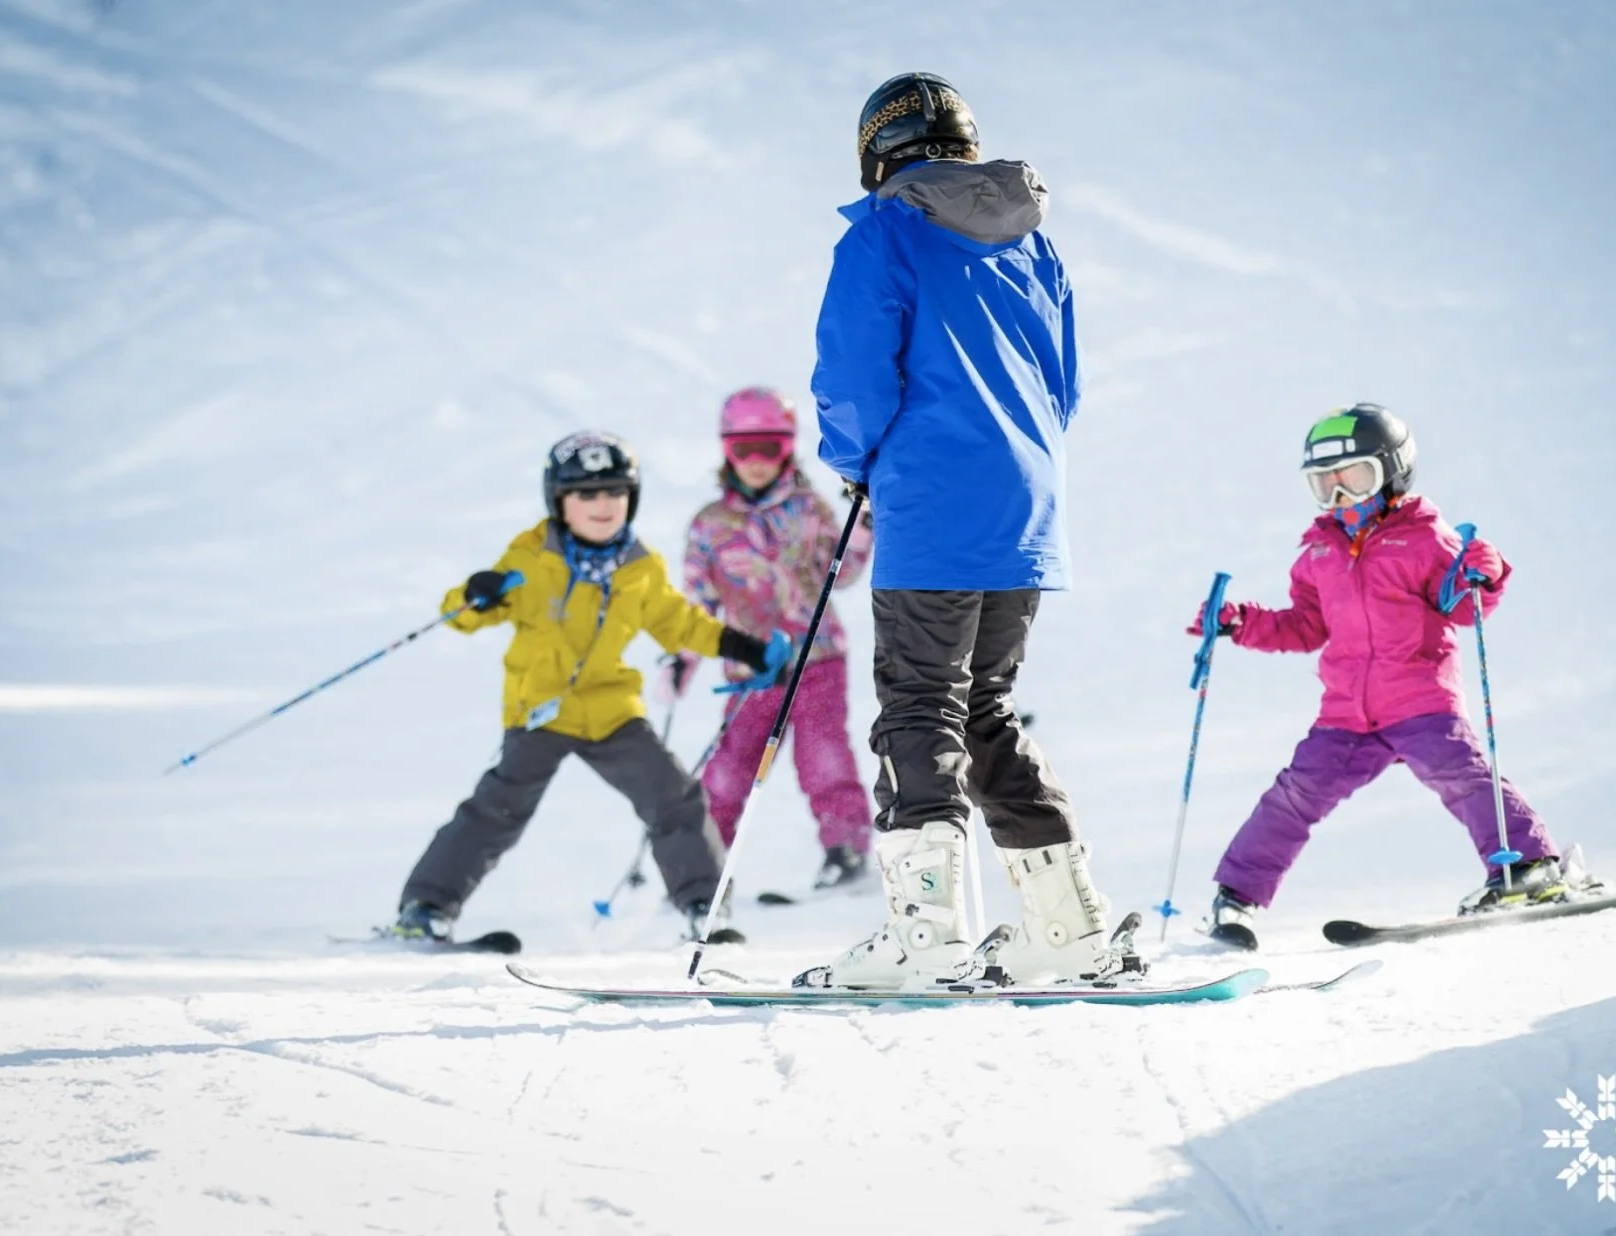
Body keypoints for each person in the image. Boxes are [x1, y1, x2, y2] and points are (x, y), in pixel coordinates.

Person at [805, 72, 1138, 989]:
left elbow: (855, 375)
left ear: (878, 152)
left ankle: (929, 937)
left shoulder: (882, 233)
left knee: (920, 704)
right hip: (1025, 509)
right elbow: (1063, 385)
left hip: (931, 505)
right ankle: (1067, 929)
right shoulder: (1035, 244)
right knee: (981, 706)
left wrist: (853, 459)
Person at [1195, 403, 1586, 944]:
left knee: (1462, 777)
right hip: (1346, 715)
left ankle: (1527, 867)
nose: (1339, 496)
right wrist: (1243, 624)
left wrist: (1483, 576)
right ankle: (1235, 899)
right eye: (1324, 484)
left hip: (1420, 700)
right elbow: (1307, 626)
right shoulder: (1317, 550)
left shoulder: (1426, 537)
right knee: (1293, 795)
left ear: (1392, 473)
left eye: (1354, 478)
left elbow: (1459, 605)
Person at [392, 430, 792, 945]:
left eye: (615, 492)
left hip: (610, 711)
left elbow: (681, 624)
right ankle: (425, 907)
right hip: (540, 710)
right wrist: (477, 594)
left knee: (674, 798)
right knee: (496, 810)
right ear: (559, 501)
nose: (603, 505)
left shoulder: (639, 569)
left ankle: (703, 905)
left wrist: (747, 649)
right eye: (586, 494)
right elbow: (461, 617)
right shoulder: (532, 559)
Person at [658, 387, 876, 890]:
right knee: (730, 767)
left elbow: (837, 575)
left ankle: (845, 847)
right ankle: (704, 862)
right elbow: (697, 605)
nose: (756, 463)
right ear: (726, 451)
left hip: (816, 659)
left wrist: (861, 533)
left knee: (823, 755)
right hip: (750, 669)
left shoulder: (807, 508)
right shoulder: (711, 526)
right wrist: (682, 662)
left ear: (787, 448)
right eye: (743, 450)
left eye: (768, 449)